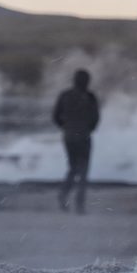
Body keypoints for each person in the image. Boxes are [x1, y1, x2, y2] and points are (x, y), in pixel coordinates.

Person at [52, 68, 100, 213]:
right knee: (83, 170)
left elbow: (55, 116)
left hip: (69, 136)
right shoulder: (90, 97)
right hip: (84, 136)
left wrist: (66, 127)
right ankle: (79, 204)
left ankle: (63, 194)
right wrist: (88, 129)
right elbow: (95, 118)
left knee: (73, 168)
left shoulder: (65, 95)